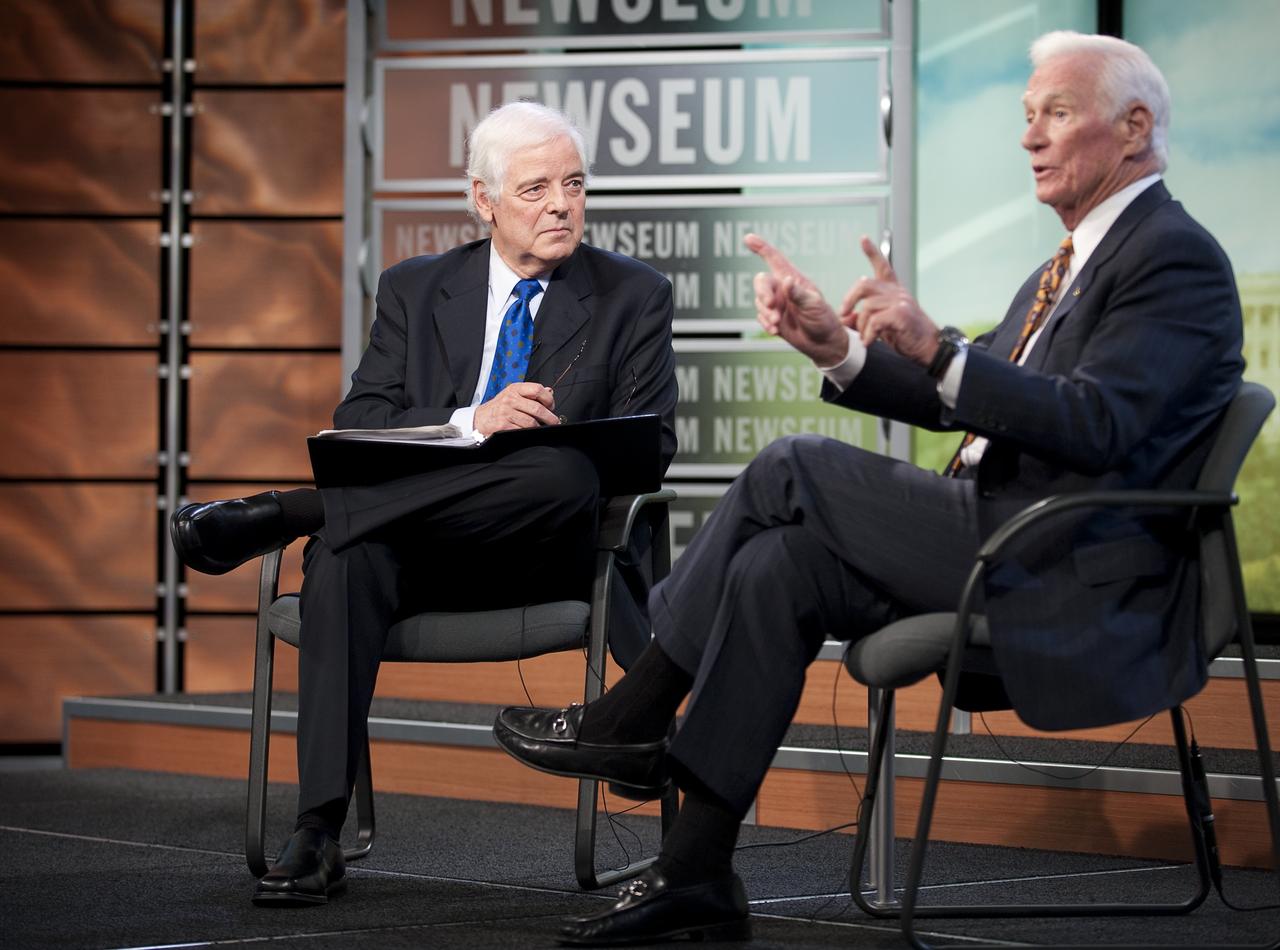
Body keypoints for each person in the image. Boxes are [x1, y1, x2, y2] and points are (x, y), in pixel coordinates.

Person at [493, 31, 1244, 946]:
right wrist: (839, 349)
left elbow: (1095, 425)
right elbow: (972, 398)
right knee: (780, 564)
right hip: (1006, 535)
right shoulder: (1068, 264)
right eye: (1025, 117)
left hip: (1068, 562)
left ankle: (634, 710)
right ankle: (695, 871)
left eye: (1055, 113)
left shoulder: (1174, 257)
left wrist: (941, 348)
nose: (1029, 138)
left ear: (1133, 129)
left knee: (792, 464)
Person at [170, 101, 678, 906]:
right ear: (483, 200)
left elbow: (651, 447)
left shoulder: (632, 294)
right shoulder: (415, 289)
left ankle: (295, 511)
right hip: (415, 552)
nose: (561, 205)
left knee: (560, 475)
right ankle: (316, 833)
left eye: (574, 185)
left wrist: (542, 442)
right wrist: (471, 422)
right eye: (536, 188)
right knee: (345, 557)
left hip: (542, 547)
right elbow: (361, 423)